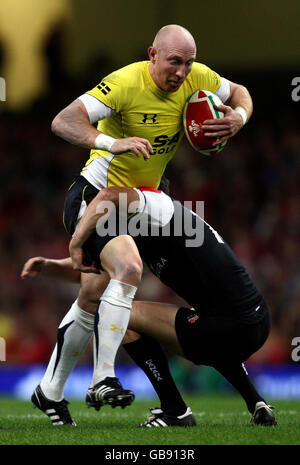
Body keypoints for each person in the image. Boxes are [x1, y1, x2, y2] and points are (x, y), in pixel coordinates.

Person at [29, 24, 253, 425]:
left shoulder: (196, 77)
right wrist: (110, 142)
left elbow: (239, 93)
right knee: (129, 267)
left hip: (132, 205)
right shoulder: (125, 83)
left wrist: (238, 116)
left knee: (93, 293)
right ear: (152, 55)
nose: (183, 72)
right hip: (93, 197)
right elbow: (63, 122)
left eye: (188, 63)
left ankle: (49, 391)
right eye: (174, 62)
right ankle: (103, 378)